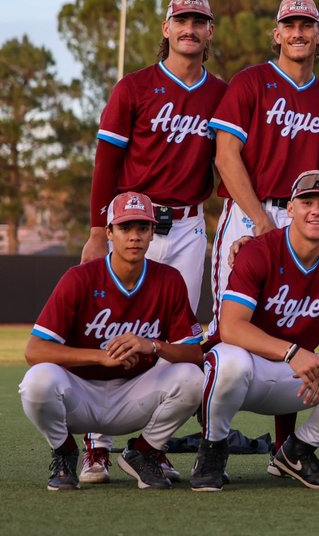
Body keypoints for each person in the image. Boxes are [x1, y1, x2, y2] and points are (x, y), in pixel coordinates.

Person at [78, 0, 224, 483]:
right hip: (130, 223)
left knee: (173, 338)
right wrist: (99, 229)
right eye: (181, 20)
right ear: (165, 29)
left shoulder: (219, 93)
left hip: (186, 224)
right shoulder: (134, 87)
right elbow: (107, 161)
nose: (189, 28)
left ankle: (150, 445)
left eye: (198, 21)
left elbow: (227, 162)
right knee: (108, 327)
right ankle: (95, 445)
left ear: (209, 32)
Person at [191, 171, 319, 492]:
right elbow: (231, 327)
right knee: (230, 360)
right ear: (290, 209)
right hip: (247, 372)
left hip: (295, 379)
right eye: (307, 202)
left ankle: (297, 451)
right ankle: (213, 447)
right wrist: (291, 352)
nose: (316, 210)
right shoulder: (259, 250)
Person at [20, 192, 204, 491]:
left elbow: (195, 352)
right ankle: (64, 451)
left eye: (142, 228)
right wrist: (100, 357)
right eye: (125, 228)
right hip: (82, 394)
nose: (134, 237)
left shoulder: (169, 279)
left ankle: (144, 452)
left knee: (192, 378)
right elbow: (35, 350)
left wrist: (153, 345)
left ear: (152, 232)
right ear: (109, 233)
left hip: (136, 392)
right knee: (37, 381)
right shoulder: (79, 278)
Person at [208, 0, 319, 336]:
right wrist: (261, 221)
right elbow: (225, 156)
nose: (298, 33)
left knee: (289, 324)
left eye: (306, 26)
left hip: (305, 219)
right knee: (232, 328)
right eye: (289, 26)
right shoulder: (250, 82)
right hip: (249, 213)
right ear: (277, 34)